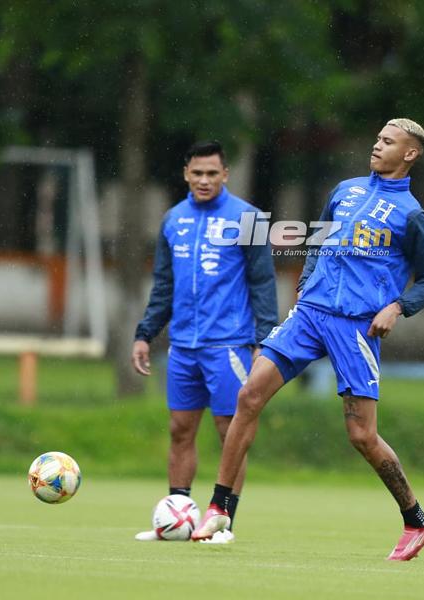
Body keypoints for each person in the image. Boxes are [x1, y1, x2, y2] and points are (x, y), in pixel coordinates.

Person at [191, 118, 424, 560]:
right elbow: (319, 242)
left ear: (410, 154)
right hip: (310, 314)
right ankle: (220, 508)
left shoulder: (411, 215)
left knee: (362, 435)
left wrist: (398, 307)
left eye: (388, 141)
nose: (377, 145)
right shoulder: (345, 191)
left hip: (356, 326)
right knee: (249, 395)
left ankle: (417, 520)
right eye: (377, 137)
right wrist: (306, 282)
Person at [131, 141, 278, 543]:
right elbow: (164, 285)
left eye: (212, 173)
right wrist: (145, 333)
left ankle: (223, 522)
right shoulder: (173, 219)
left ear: (225, 175)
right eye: (197, 173)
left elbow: (262, 282)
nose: (204, 180)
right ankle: (176, 519)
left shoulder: (247, 218)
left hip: (229, 345)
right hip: (183, 346)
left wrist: (264, 340)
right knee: (180, 429)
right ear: (186, 174)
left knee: (230, 432)